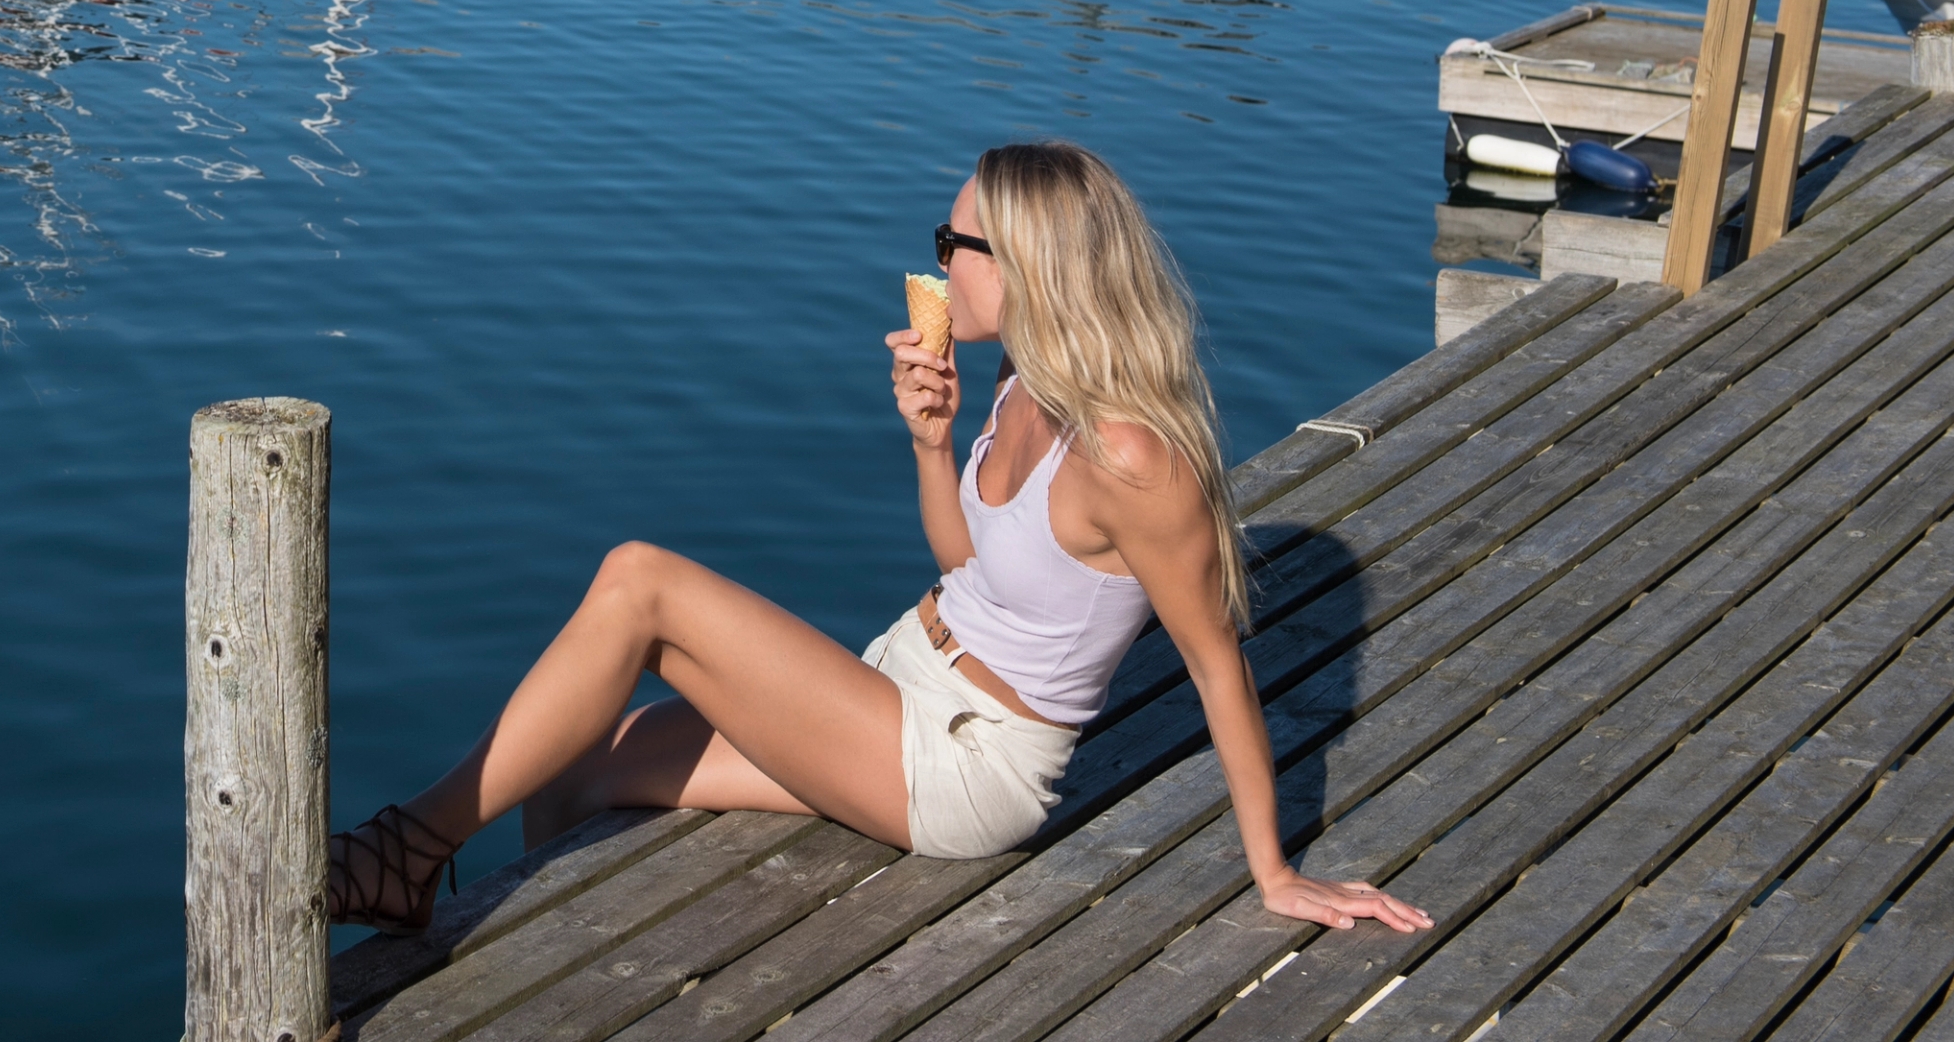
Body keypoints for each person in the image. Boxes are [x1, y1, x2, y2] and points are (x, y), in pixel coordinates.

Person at [325, 141, 1429, 938]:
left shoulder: (1132, 456)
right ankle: (523, 950)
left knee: (640, 583)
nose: (940, 262)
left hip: (969, 763)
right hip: (900, 683)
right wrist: (930, 441)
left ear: (1029, 265)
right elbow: (968, 562)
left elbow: (1215, 664)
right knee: (575, 772)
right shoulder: (1017, 383)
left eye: (957, 244)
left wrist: (1276, 869)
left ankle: (402, 851)